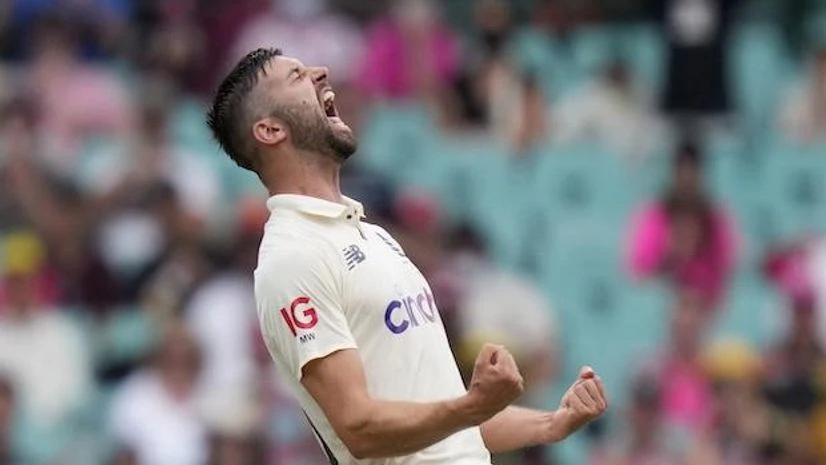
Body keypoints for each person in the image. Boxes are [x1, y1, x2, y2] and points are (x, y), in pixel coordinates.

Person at [206, 47, 608, 465]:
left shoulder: (372, 235)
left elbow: (442, 418)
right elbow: (359, 427)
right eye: (296, 77)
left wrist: (551, 424)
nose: (321, 72)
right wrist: (473, 404)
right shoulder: (293, 257)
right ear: (270, 130)